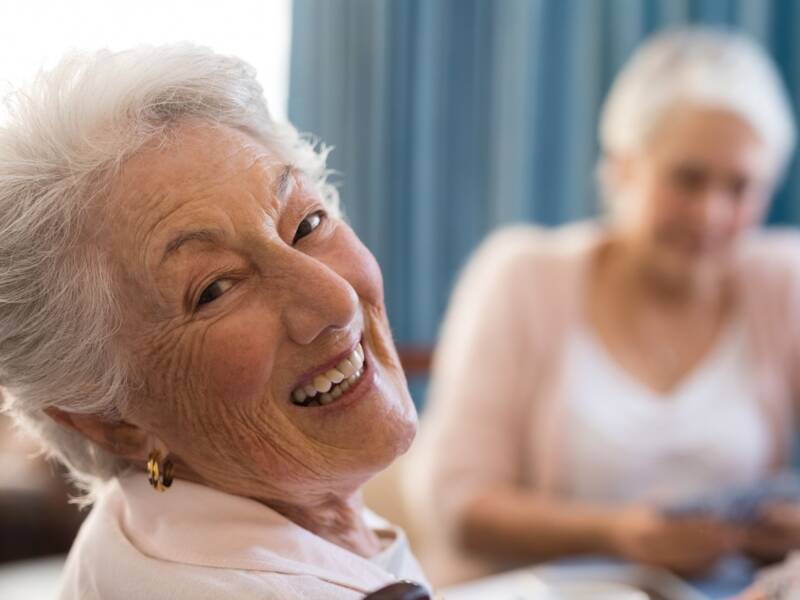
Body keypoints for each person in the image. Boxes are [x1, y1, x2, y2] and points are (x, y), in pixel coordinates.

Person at [0, 45, 428, 599]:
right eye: (216, 289)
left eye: (307, 223)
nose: (336, 301)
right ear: (112, 422)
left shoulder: (153, 529)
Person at [408, 27, 800, 586]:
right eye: (687, 179)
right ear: (623, 168)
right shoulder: (521, 277)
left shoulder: (783, 281)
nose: (711, 214)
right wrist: (616, 532)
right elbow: (453, 505)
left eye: (739, 188)